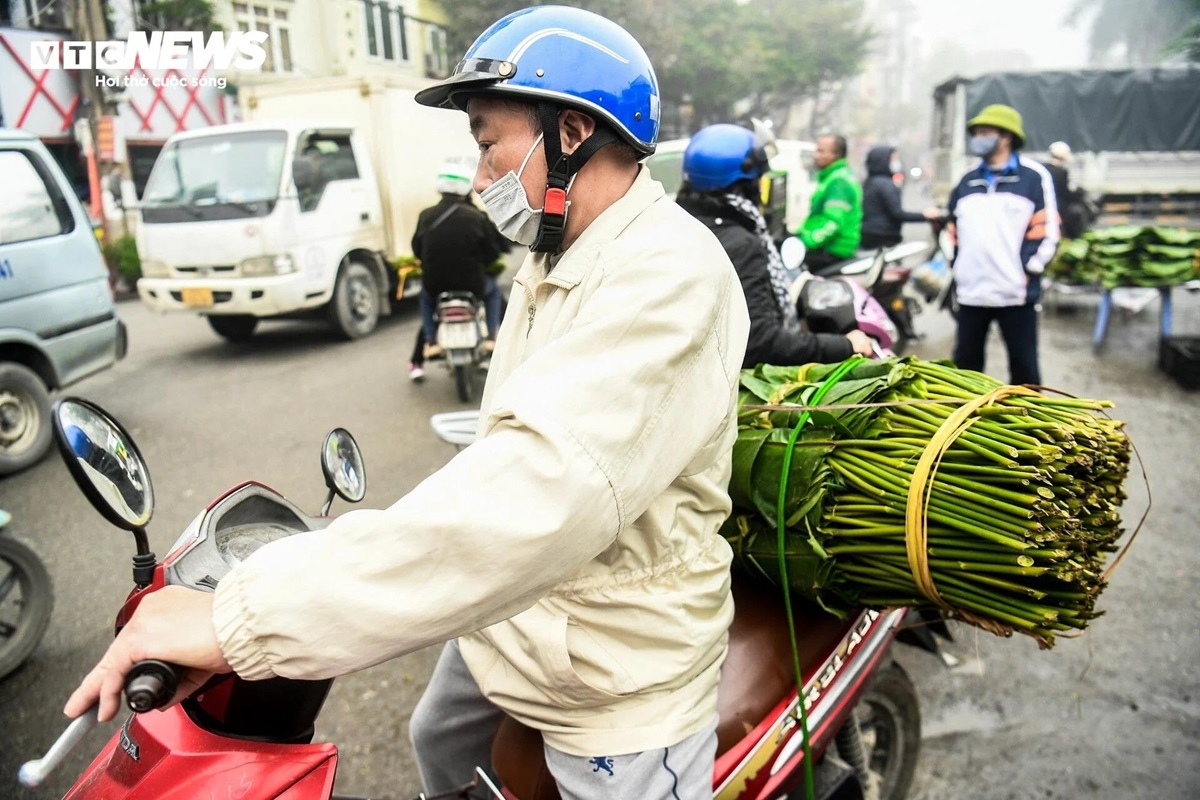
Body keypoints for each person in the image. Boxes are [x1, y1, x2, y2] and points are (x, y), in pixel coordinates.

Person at [63, 7, 751, 800]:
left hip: (616, 664)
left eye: (490, 144)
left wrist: (238, 622)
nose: (483, 177)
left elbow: (538, 494)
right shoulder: (555, 253)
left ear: (570, 133)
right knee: (436, 737)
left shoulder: (666, 274)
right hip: (520, 615)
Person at [676, 123, 873, 365]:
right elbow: (759, 342)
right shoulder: (740, 244)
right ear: (747, 182)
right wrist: (844, 345)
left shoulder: (680, 223)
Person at [947, 103, 1059, 386]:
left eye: (985, 132)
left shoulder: (1033, 177)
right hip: (971, 293)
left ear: (1006, 137)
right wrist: (958, 268)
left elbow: (1047, 230)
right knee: (965, 373)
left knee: (1025, 371)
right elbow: (952, 230)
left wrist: (1027, 269)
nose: (978, 138)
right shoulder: (967, 180)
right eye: (977, 133)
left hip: (1015, 294)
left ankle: (1033, 426)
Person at [409, 161, 509, 381]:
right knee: (492, 294)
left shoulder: (425, 215)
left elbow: (417, 249)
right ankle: (492, 335)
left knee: (426, 299)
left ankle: (431, 340)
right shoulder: (476, 217)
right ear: (466, 188)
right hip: (472, 284)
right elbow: (492, 253)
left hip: (435, 285)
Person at [795, 133, 862, 272]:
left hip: (833, 251)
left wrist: (805, 242)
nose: (816, 155)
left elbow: (832, 222)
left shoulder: (839, 182)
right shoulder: (833, 177)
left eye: (821, 151)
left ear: (836, 155)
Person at [860, 145, 942, 250]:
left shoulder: (870, 183)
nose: (897, 162)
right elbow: (897, 214)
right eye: (894, 159)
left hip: (869, 235)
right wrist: (925, 215)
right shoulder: (886, 185)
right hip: (884, 236)